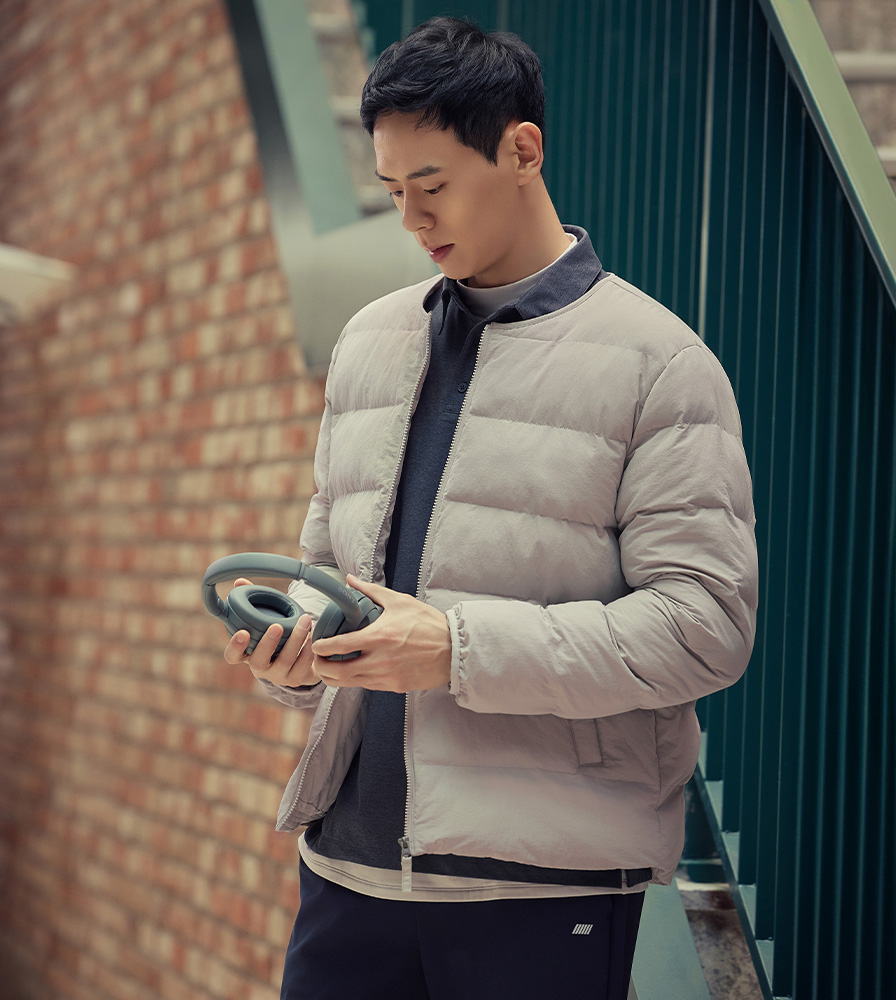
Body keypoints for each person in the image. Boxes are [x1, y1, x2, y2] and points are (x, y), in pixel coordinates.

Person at [222, 16, 757, 1000]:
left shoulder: (661, 364)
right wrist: (295, 660)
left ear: (521, 150)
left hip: (541, 888)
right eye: (393, 191)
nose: (412, 219)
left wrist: (457, 648)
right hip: (346, 871)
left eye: (432, 184)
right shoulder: (368, 342)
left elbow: (704, 629)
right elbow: (328, 580)